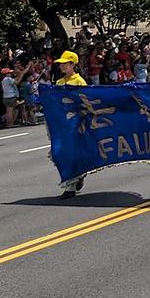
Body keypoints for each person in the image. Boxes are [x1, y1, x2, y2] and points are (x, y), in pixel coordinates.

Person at [54, 50, 89, 200]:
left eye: (65, 63)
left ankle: (74, 182)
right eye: (60, 64)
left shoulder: (79, 81)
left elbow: (86, 101)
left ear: (72, 64)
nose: (62, 66)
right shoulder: (59, 83)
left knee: (75, 153)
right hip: (63, 124)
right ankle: (73, 182)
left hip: (77, 123)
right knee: (64, 154)